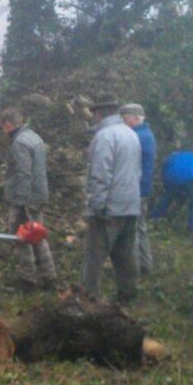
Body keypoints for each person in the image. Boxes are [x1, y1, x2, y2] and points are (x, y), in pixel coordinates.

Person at [82, 96, 141, 305]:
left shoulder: (104, 136)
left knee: (94, 256)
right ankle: (128, 295)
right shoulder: (131, 134)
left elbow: (100, 174)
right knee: (124, 255)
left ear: (99, 113)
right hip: (131, 205)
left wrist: (97, 206)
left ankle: (90, 298)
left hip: (109, 207)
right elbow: (137, 172)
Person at [0, 108, 56, 290]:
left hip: (25, 199)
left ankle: (28, 280)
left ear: (8, 125)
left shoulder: (18, 143)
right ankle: (49, 277)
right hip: (39, 195)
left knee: (21, 236)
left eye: (2, 126)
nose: (2, 130)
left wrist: (21, 205)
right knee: (37, 235)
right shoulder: (35, 137)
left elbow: (24, 174)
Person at [120, 103, 156, 276]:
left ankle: (136, 267)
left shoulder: (137, 137)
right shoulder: (145, 134)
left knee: (133, 229)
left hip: (136, 189)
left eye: (125, 119)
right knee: (139, 227)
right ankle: (144, 264)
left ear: (135, 118)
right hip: (142, 188)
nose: (123, 123)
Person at [151, 151, 193, 234]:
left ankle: (155, 219)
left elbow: (164, 173)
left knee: (166, 199)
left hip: (174, 178)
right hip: (192, 179)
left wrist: (166, 186)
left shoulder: (171, 158)